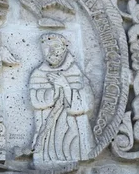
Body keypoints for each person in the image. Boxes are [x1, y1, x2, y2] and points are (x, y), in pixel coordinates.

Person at [30, 33, 95, 164]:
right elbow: (35, 100)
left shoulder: (75, 72)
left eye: (55, 47)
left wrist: (65, 86)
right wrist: (54, 91)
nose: (51, 52)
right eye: (46, 48)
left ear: (64, 48)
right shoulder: (38, 73)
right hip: (48, 133)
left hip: (75, 131)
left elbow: (86, 103)